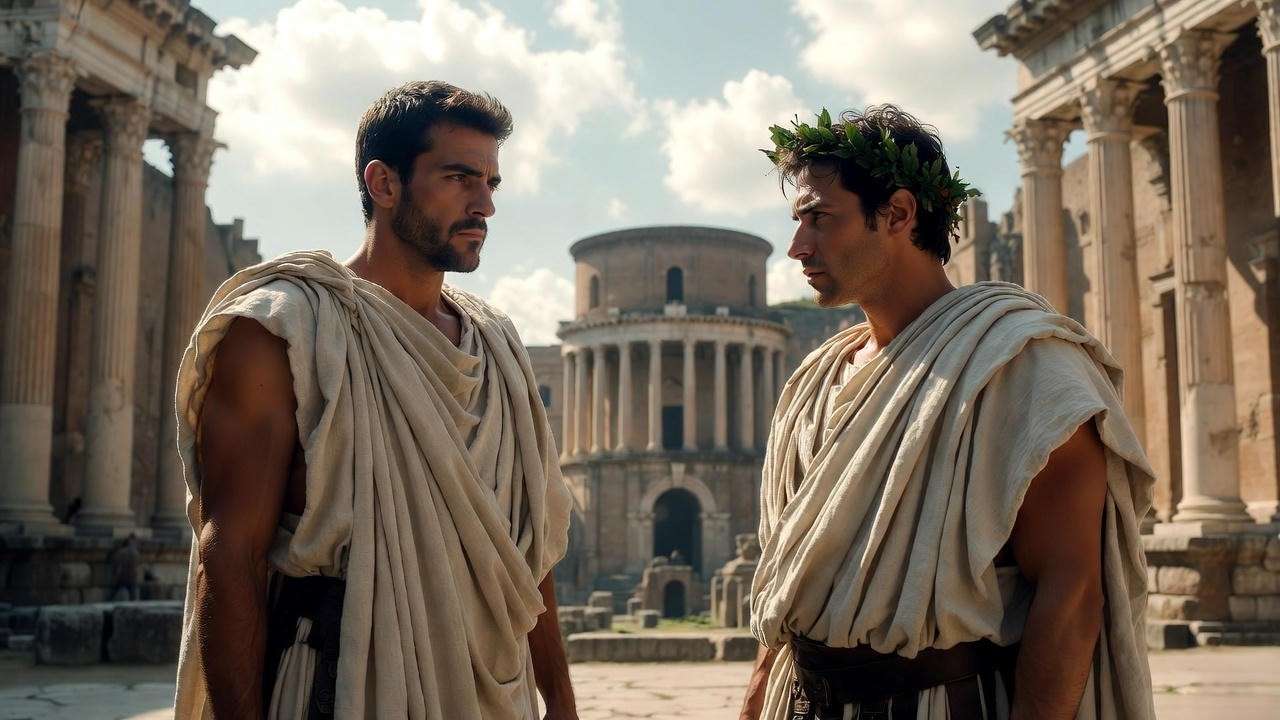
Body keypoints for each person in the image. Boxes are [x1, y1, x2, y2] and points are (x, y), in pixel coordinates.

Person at [173, 81, 577, 719]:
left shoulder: (498, 349)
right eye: (459, 178)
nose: (485, 205)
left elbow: (526, 553)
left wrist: (559, 700)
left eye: (491, 183)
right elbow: (231, 559)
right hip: (337, 685)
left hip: (494, 695)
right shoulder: (284, 330)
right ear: (384, 183)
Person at [738, 105, 1155, 720]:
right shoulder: (815, 384)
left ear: (899, 214)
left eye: (820, 219)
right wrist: (756, 697)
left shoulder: (1022, 365)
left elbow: (1069, 599)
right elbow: (797, 581)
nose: (798, 247)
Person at [109, 532, 141, 601]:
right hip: (130, 577)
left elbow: (117, 567)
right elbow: (136, 568)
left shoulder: (120, 552)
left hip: (122, 577)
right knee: (133, 595)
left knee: (114, 592)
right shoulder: (135, 552)